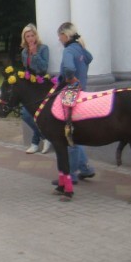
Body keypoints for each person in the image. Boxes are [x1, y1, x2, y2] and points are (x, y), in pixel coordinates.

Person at [52, 22, 96, 187]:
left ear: (65, 35)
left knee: (68, 135)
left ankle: (71, 174)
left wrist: (70, 79)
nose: (59, 39)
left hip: (71, 94)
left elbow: (69, 68)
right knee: (74, 135)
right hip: (83, 92)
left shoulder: (69, 50)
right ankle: (84, 168)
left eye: (59, 36)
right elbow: (90, 58)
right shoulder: (80, 49)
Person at [19, 24, 52, 154]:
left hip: (42, 83)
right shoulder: (24, 52)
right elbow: (26, 69)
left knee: (38, 113)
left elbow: (43, 68)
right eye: (28, 36)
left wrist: (35, 54)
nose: (31, 38)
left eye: (32, 35)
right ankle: (44, 136)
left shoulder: (44, 48)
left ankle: (34, 142)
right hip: (30, 85)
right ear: (25, 38)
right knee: (25, 114)